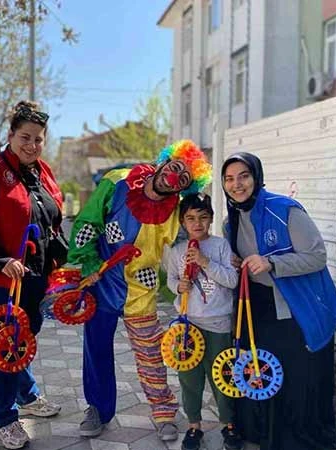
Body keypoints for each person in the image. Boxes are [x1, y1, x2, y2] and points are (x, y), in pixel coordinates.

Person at [68, 140, 212, 441]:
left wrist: (221, 255)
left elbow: (192, 237)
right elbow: (87, 223)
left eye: (183, 179)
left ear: (183, 188)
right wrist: (88, 262)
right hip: (102, 282)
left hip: (141, 288)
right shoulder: (117, 181)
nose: (174, 178)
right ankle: (97, 409)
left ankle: (163, 413)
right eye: (174, 168)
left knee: (150, 353)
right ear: (164, 162)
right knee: (96, 349)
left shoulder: (176, 212)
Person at [0, 101, 65, 449]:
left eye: (38, 139)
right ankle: (5, 418)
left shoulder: (43, 173)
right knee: (4, 342)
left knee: (25, 336)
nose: (32, 145)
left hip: (32, 275)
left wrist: (64, 260)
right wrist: (1, 258)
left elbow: (52, 222)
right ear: (10, 136)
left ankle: (27, 396)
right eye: (25, 137)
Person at [222, 152, 336, 450]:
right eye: (229, 179)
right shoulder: (231, 221)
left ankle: (295, 439)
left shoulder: (285, 210)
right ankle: (262, 431)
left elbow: (316, 257)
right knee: (261, 367)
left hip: (294, 306)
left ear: (257, 177)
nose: (237, 184)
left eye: (244, 176)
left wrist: (272, 263)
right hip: (257, 306)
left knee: (294, 374)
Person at [162, 193, 244, 450]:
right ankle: (194, 426)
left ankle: (228, 424)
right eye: (191, 218)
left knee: (223, 375)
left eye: (203, 218)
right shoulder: (176, 252)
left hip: (218, 323)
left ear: (210, 219)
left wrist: (205, 262)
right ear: (183, 222)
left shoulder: (220, 246)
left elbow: (232, 281)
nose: (197, 224)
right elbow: (171, 280)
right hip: (188, 325)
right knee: (189, 379)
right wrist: (179, 286)